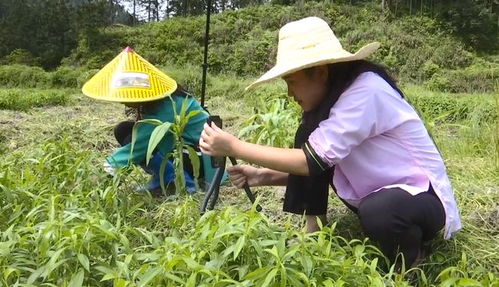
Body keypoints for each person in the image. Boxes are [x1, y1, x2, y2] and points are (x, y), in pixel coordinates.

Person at [198, 17, 461, 269]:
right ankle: (313, 229)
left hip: (421, 198)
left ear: (321, 72)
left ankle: (411, 257)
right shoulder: (334, 101)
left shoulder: (365, 92)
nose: (290, 93)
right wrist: (262, 176)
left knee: (381, 212)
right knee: (308, 136)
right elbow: (322, 162)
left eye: (291, 82)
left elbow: (312, 162)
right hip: (378, 193)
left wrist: (234, 146)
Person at [82, 47, 220, 195]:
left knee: (145, 143)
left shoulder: (168, 106)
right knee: (124, 130)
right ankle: (164, 177)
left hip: (200, 159)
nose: (124, 102)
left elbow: (139, 146)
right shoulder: (162, 101)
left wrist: (104, 173)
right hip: (185, 150)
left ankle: (176, 182)